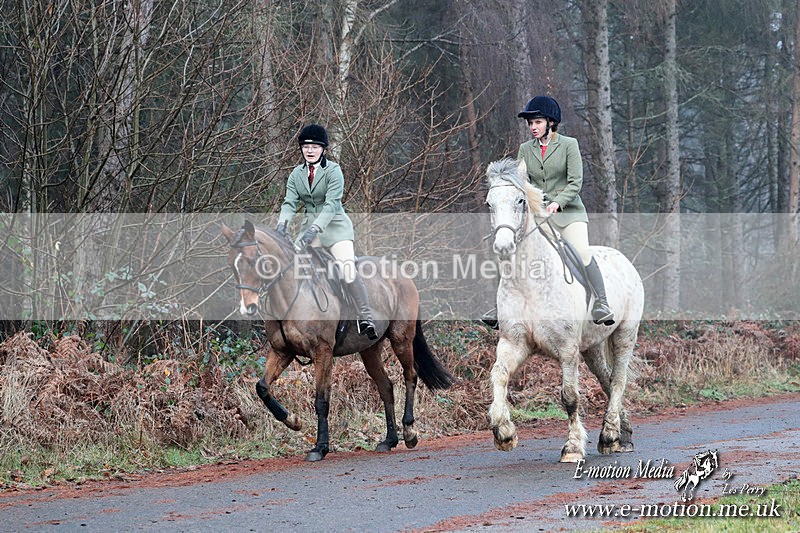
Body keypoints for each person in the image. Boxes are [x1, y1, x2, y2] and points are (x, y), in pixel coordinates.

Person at [483, 95, 614, 327]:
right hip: (540, 217)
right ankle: (499, 307)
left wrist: (557, 202)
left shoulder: (568, 145)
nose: (533, 127)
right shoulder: (525, 150)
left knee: (582, 253)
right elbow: (522, 183)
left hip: (569, 214)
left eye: (538, 123)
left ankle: (602, 303)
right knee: (512, 251)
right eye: (531, 124)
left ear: (550, 123)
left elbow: (575, 182)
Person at [276, 124, 378, 339]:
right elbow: (289, 203)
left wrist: (314, 229)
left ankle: (365, 316)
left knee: (346, 268)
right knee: (290, 266)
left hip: (336, 230)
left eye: (314, 146)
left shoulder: (333, 171)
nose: (310, 150)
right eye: (306, 147)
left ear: (323, 149)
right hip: (308, 233)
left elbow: (332, 205)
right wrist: (282, 224)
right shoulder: (296, 174)